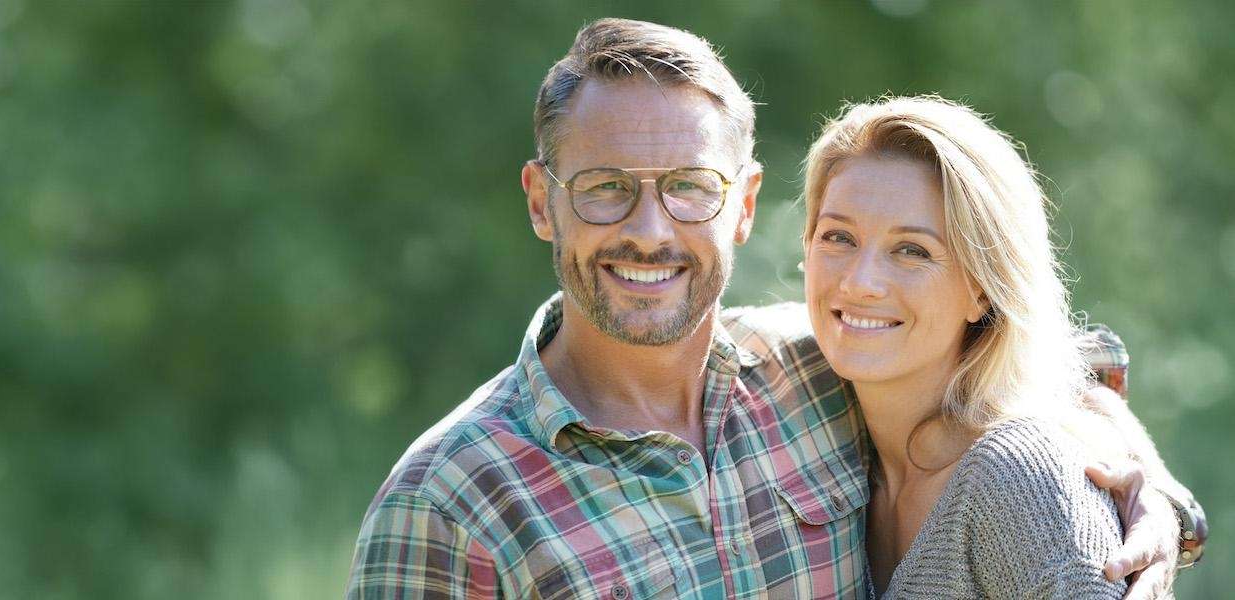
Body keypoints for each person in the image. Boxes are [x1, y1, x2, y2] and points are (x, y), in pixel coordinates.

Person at [346, 18, 1204, 599]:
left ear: (746, 205)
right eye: (605, 188)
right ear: (543, 202)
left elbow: (1037, 369)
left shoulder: (819, 363)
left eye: (690, 187)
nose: (649, 231)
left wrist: (1152, 496)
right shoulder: (448, 503)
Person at [799, 96, 1160, 598]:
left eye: (912, 250)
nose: (860, 283)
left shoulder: (1020, 480)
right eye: (838, 237)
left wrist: (1170, 507)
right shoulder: (820, 422)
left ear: (983, 289)